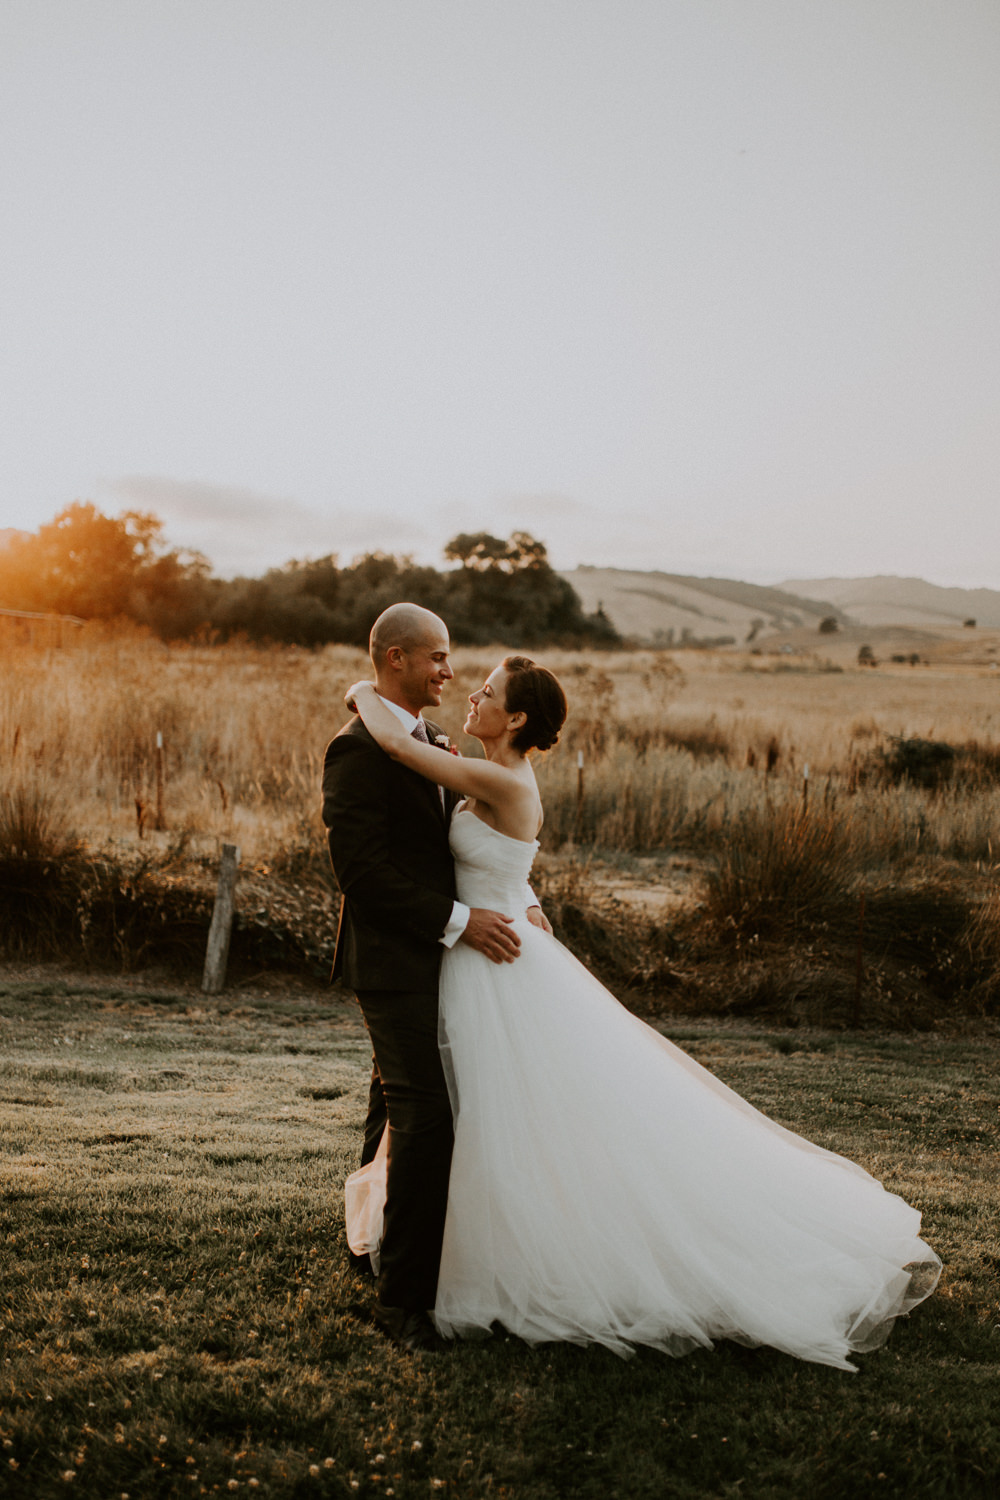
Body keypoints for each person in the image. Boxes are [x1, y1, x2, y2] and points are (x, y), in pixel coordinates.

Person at [342, 654, 941, 1370]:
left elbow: (398, 745)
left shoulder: (501, 778)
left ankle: (489, 1261)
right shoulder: (489, 773)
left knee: (511, 1115)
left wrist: (359, 689)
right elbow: (501, 855)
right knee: (476, 1115)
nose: (471, 693)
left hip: (494, 961)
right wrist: (523, 896)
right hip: (481, 951)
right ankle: (427, 1249)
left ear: (519, 717)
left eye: (488, 691)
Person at [322, 604, 550, 1353]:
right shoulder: (359, 749)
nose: (451, 673)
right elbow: (363, 873)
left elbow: (475, 843)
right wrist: (460, 922)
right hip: (396, 959)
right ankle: (403, 1305)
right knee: (427, 1120)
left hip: (447, 958)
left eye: (455, 662)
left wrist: (524, 901)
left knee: (394, 1099)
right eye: (438, 659)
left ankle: (369, 1245)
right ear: (394, 660)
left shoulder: (434, 743)